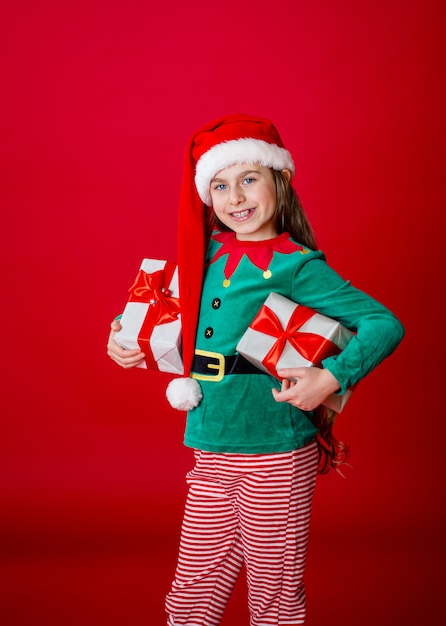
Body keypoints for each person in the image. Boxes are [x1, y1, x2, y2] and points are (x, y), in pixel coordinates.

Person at [107, 113, 404, 626]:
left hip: (277, 453)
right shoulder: (202, 254)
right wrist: (121, 332)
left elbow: (384, 324)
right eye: (220, 185)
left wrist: (331, 377)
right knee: (192, 589)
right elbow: (167, 311)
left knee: (274, 591)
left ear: (280, 180)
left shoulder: (297, 265)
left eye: (249, 179)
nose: (235, 198)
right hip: (210, 442)